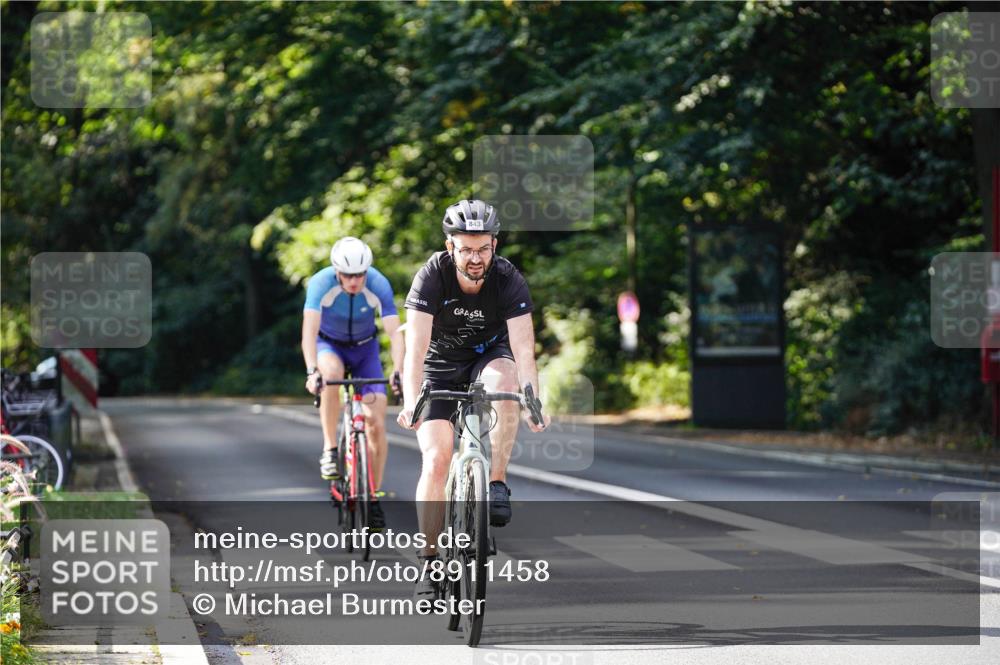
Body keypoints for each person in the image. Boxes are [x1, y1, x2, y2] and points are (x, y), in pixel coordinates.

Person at [397, 199, 549, 597]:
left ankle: (495, 482)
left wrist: (532, 399)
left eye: (483, 248)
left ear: (494, 245)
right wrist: (411, 400)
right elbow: (414, 350)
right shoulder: (431, 275)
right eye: (466, 249)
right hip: (439, 364)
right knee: (436, 458)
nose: (475, 257)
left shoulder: (508, 277)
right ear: (451, 247)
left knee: (506, 378)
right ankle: (429, 560)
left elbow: (524, 348)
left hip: (489, 356)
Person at [302, 237, 401, 530]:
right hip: (328, 345)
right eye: (347, 275)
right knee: (330, 374)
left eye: (360, 274)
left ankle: (372, 496)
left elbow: (396, 334)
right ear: (336, 271)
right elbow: (308, 332)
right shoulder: (321, 284)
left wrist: (399, 369)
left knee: (376, 423)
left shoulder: (378, 283)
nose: (354, 281)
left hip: (364, 350)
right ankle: (331, 449)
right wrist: (312, 371)